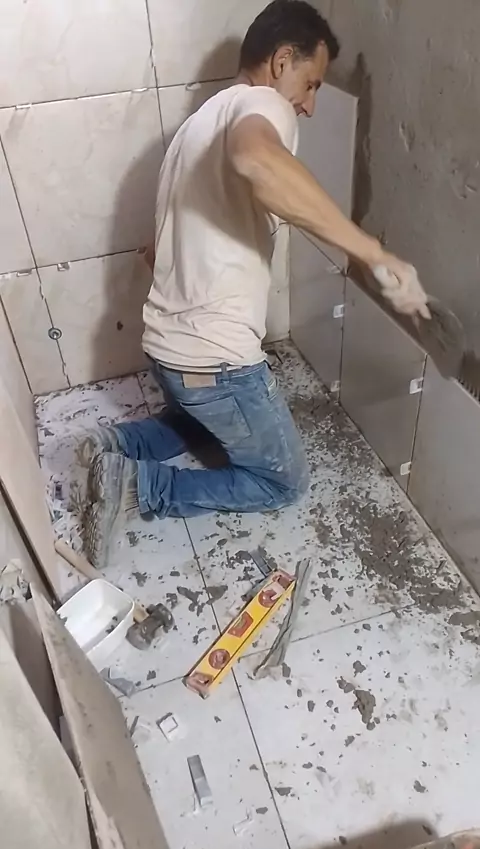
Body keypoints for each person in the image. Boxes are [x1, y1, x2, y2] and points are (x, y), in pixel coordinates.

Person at [80, 0, 430, 569]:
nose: (309, 105)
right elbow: (256, 157)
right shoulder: (262, 103)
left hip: (166, 355)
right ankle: (140, 487)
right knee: (283, 481)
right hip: (214, 366)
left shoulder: (197, 126)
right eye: (310, 84)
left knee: (201, 420)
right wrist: (372, 252)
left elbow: (155, 250)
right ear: (281, 61)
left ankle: (113, 446)